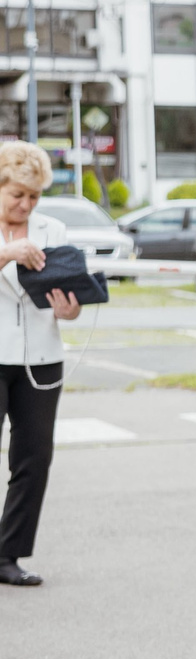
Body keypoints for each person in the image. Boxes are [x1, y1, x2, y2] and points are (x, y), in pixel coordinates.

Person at [0, 141, 82, 587]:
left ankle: (8, 555)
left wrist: (71, 310)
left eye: (34, 196)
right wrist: (7, 254)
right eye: (17, 195)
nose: (26, 205)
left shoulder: (54, 229)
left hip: (42, 358)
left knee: (33, 459)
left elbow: (67, 293)